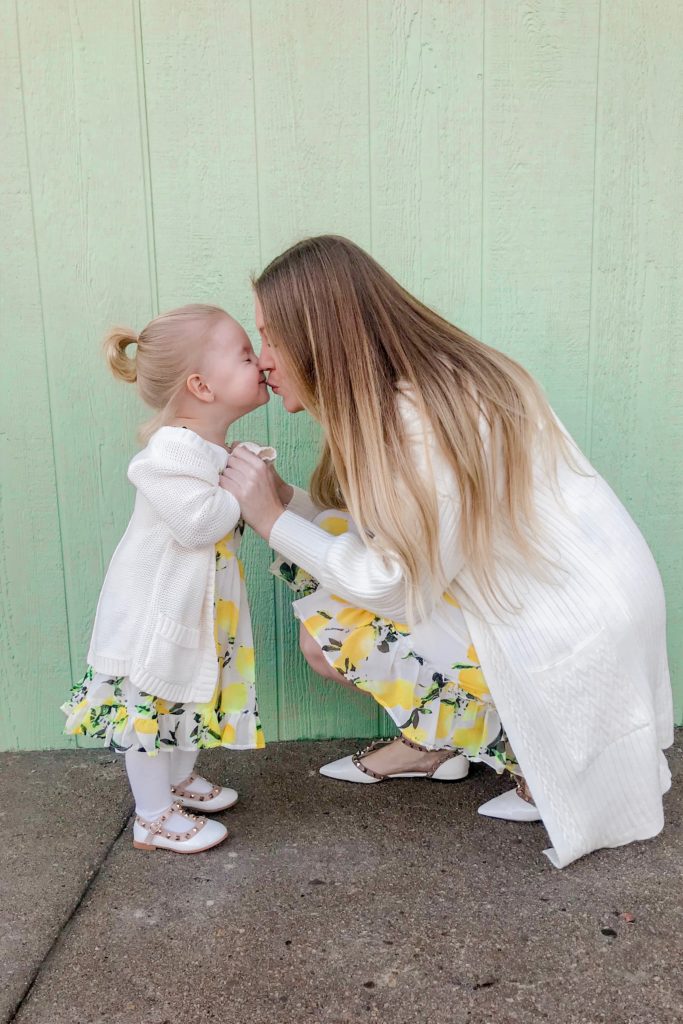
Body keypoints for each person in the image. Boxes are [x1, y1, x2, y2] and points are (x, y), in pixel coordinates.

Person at [221, 235, 674, 868]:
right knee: (337, 599)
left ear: (318, 335)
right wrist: (286, 501)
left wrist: (272, 521)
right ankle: (439, 742)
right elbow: (400, 530)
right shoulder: (434, 386)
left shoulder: (418, 420)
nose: (265, 359)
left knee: (329, 628)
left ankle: (518, 761)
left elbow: (392, 582)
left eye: (271, 337)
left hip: (564, 626)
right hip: (575, 599)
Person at [62, 304, 274, 854]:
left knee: (187, 697)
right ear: (202, 386)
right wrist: (241, 486)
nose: (261, 363)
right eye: (247, 356)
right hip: (152, 617)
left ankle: (177, 783)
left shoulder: (205, 448)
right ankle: (152, 816)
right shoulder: (168, 453)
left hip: (192, 609)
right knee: (149, 710)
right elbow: (197, 521)